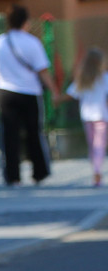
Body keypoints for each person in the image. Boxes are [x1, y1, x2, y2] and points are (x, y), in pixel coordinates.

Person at [0, 4, 60, 186]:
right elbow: (43, 71)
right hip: (29, 92)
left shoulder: (0, 42)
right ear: (26, 22)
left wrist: (3, 83)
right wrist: (55, 92)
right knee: (33, 133)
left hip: (7, 92)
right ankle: (39, 173)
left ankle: (13, 176)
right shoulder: (32, 43)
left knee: (9, 136)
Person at [56, 47, 108, 187]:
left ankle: (95, 170)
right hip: (102, 115)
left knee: (92, 145)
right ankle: (97, 170)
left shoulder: (82, 79)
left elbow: (70, 94)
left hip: (87, 116)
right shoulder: (104, 78)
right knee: (99, 145)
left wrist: (57, 99)